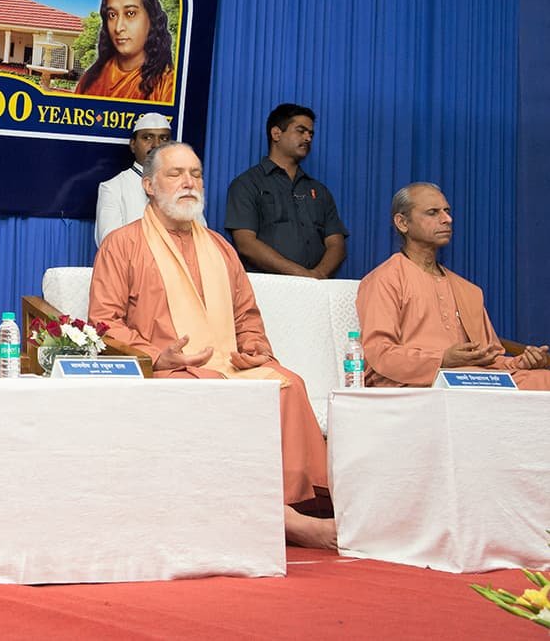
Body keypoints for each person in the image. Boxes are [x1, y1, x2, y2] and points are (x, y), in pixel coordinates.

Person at [89, 142, 335, 549]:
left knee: (287, 382)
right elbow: (104, 324)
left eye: (196, 174)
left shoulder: (220, 247)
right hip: (167, 371)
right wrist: (156, 356)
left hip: (225, 363)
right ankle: (280, 521)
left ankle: (297, 507)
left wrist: (255, 349)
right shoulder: (123, 244)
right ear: (148, 185)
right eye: (176, 174)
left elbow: (247, 317)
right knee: (202, 390)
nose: (189, 182)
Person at [356, 183, 550, 389]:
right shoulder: (384, 280)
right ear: (402, 223)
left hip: (471, 378)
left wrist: (520, 362)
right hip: (412, 384)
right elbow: (380, 354)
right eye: (433, 212)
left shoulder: (467, 290)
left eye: (447, 211)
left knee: (543, 379)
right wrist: (442, 359)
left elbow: (489, 358)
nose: (447, 219)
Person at [225, 103, 347, 278]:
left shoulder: (319, 191)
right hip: (268, 292)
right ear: (276, 133)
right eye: (301, 131)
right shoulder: (246, 184)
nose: (308, 138)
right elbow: (246, 243)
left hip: (318, 292)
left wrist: (318, 275)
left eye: (311, 133)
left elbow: (336, 244)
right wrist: (302, 275)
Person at [74, 0, 175, 102]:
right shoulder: (91, 79)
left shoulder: (167, 84)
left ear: (151, 17)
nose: (118, 27)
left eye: (130, 13)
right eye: (112, 15)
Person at [95, 112, 175, 246]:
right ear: (133, 144)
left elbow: (198, 238)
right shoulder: (113, 188)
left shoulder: (182, 186)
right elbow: (110, 243)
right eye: (147, 137)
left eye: (164, 139)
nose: (156, 145)